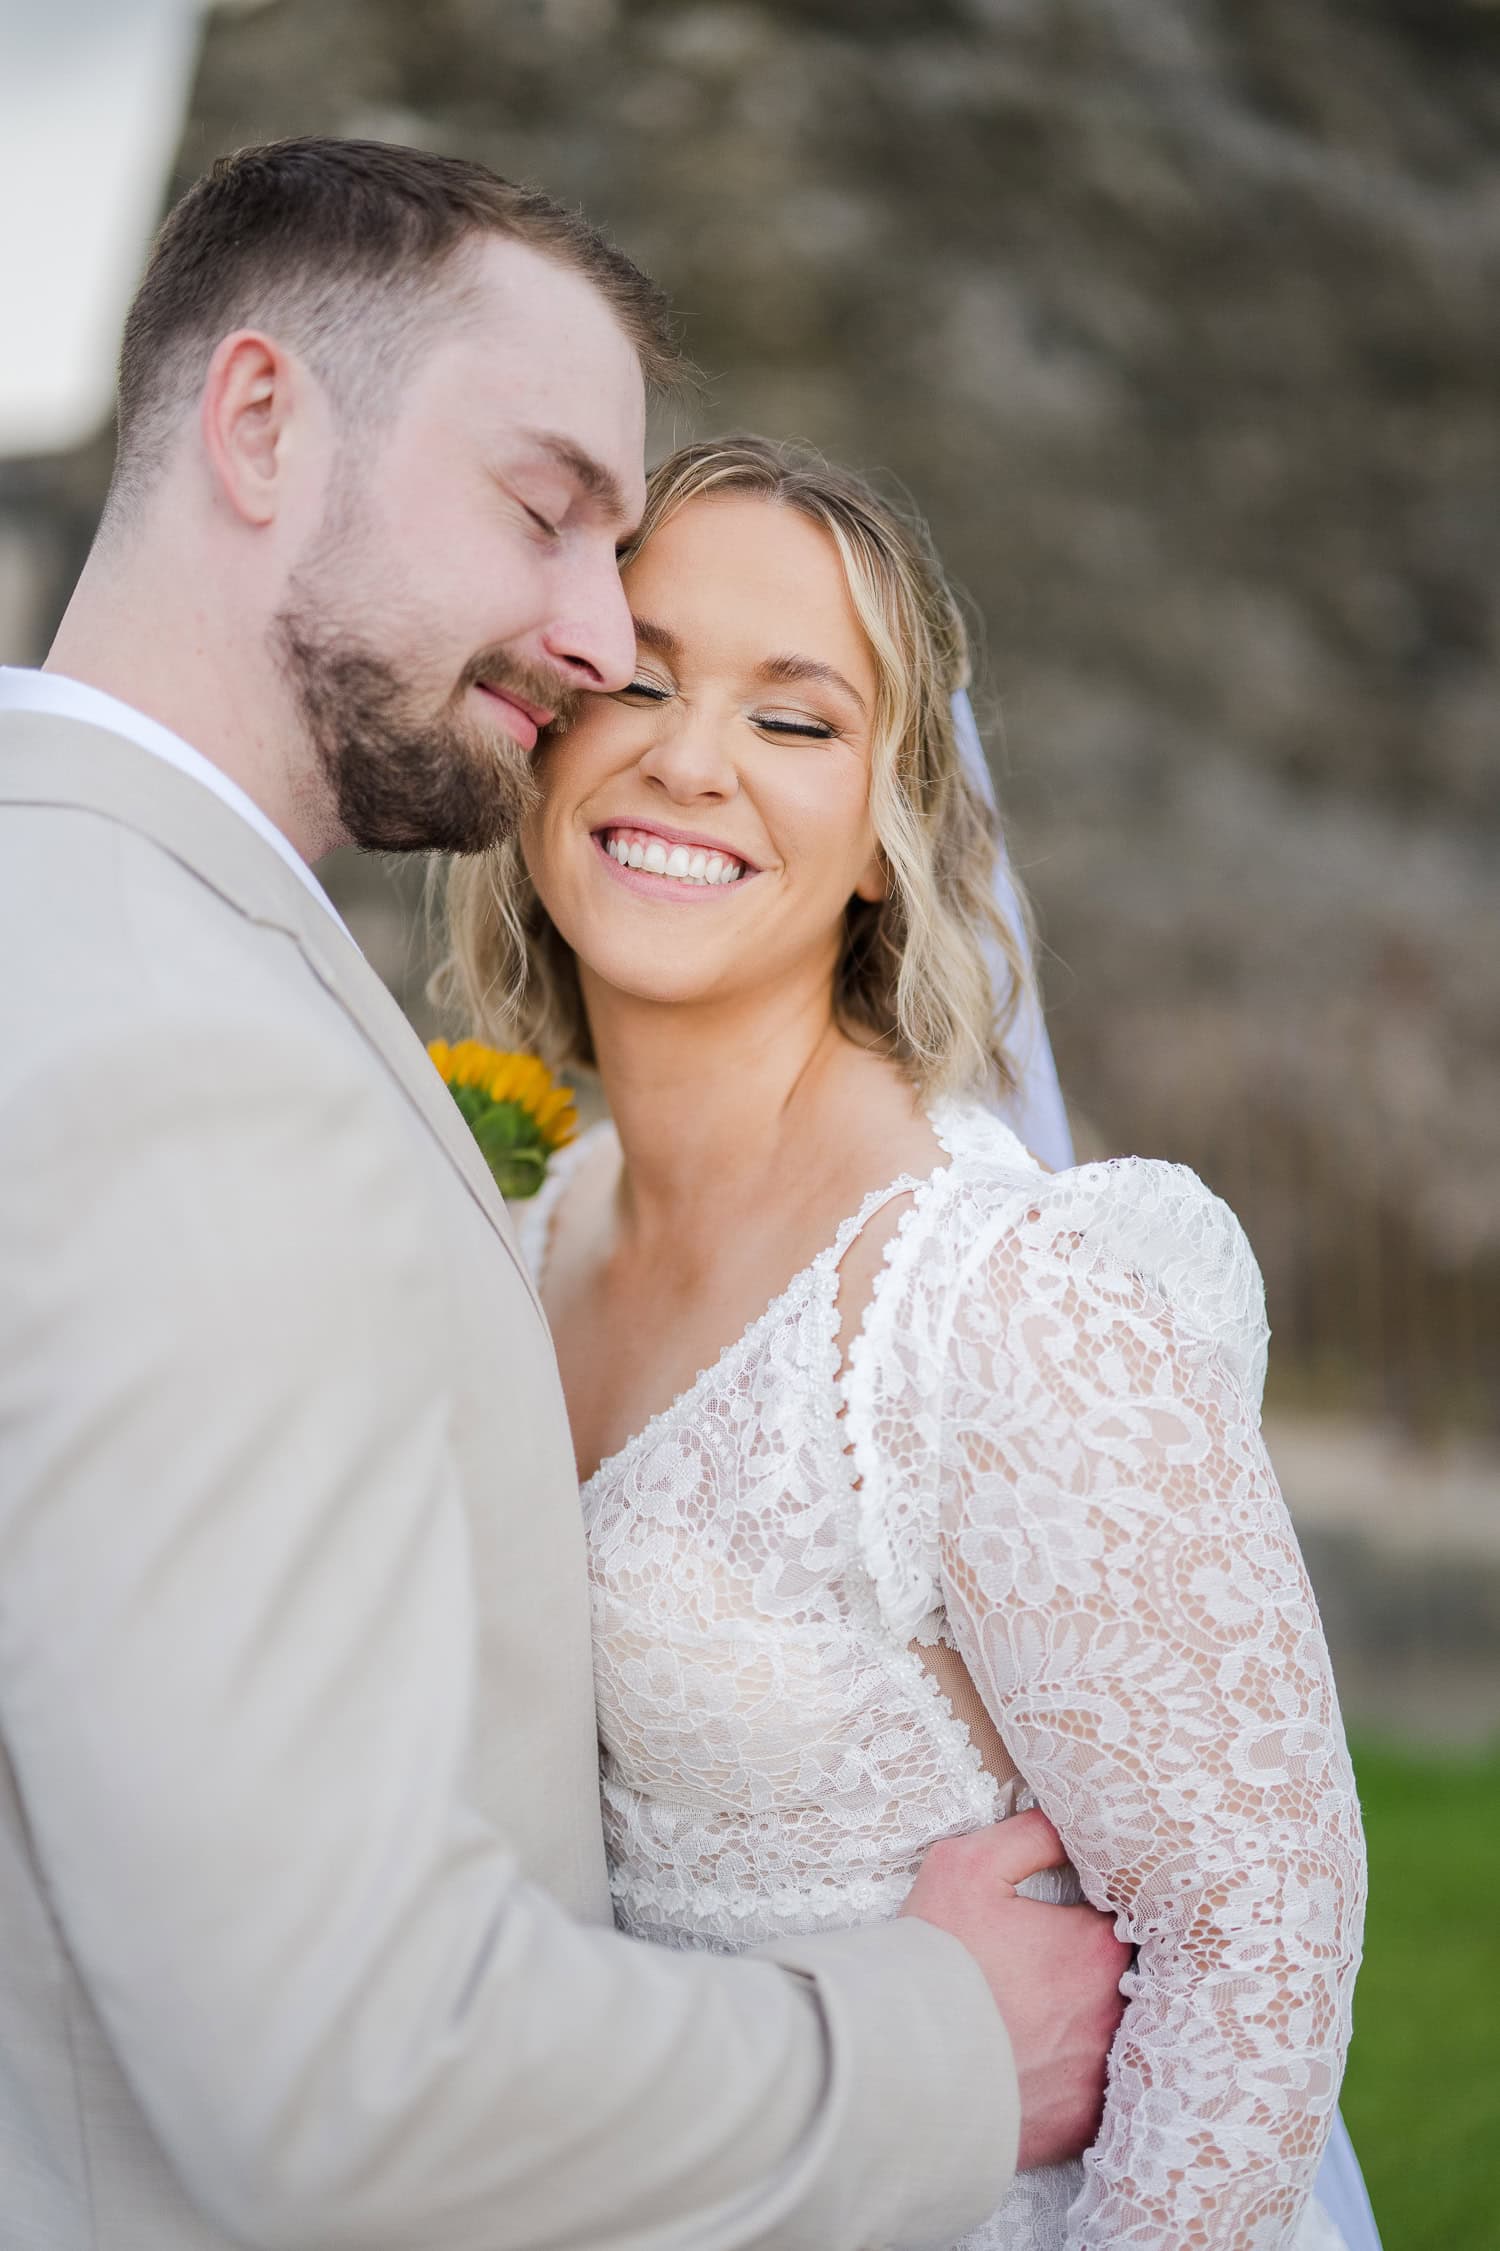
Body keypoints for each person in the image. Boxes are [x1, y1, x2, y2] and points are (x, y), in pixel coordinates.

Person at [0, 139, 1133, 2250]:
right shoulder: (193, 1068)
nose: (599, 639)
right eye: (546, 510)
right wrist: (943, 2041)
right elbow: (356, 2073)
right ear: (259, 425)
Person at [444, 434, 1369, 2249]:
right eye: (633, 677)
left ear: (888, 836)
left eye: (795, 721)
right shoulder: (518, 1232)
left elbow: (1253, 1929)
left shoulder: (997, 1301)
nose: (687, 757)